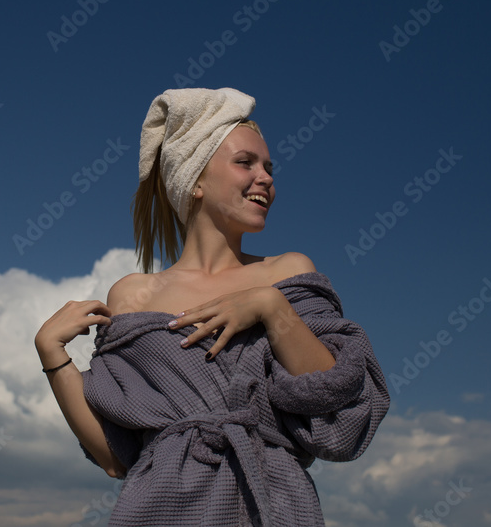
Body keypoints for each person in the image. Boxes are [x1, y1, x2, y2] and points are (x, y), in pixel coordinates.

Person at [35, 87, 390, 526]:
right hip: (160, 506)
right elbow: (116, 455)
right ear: (195, 179)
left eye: (268, 168)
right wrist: (53, 356)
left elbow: (336, 401)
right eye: (246, 163)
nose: (266, 178)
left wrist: (269, 307)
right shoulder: (132, 295)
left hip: (271, 504)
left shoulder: (286, 274)